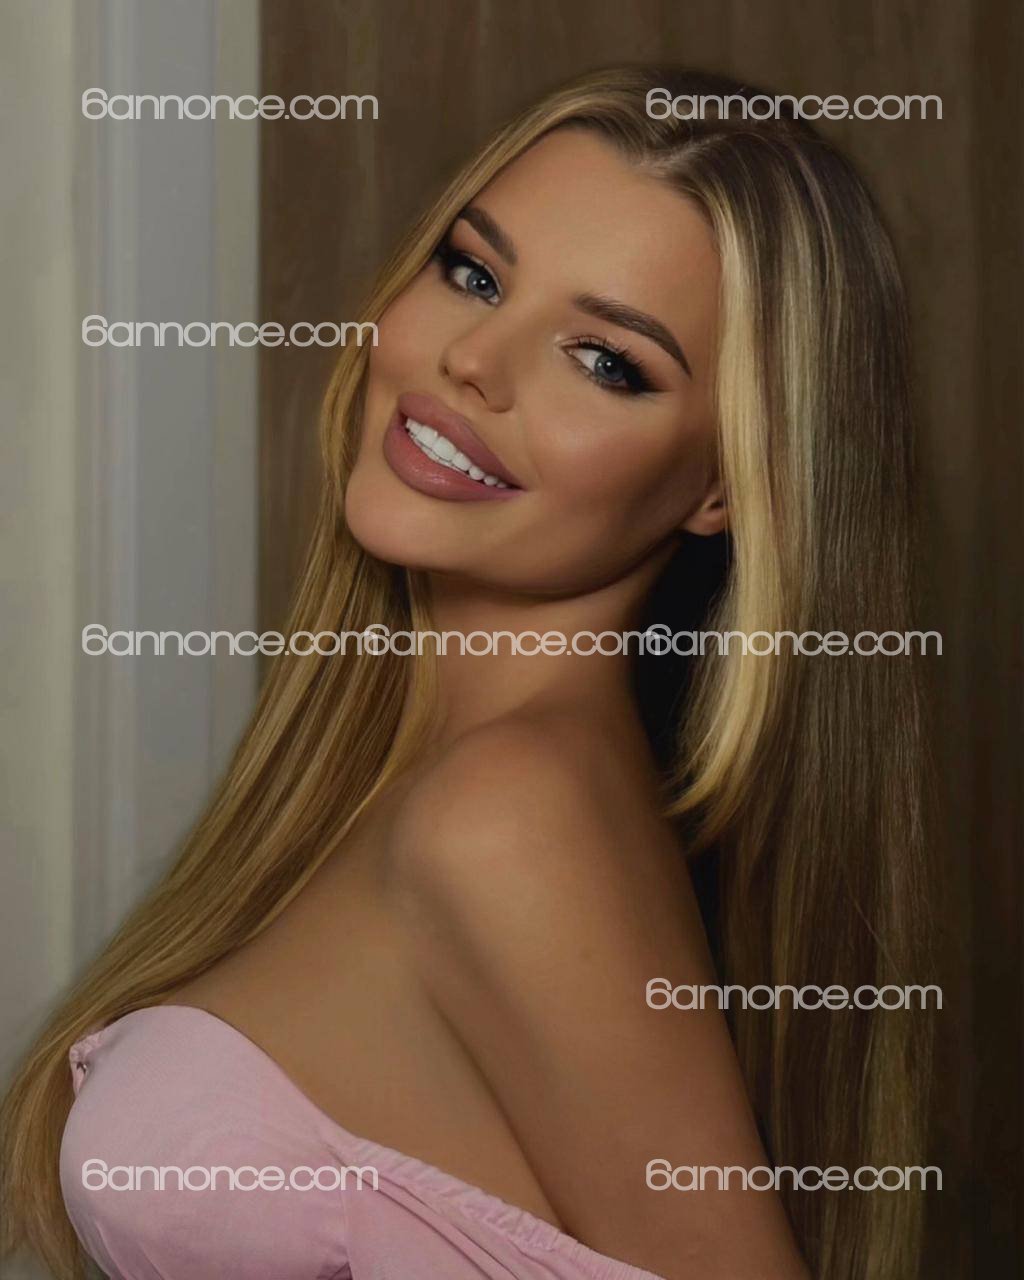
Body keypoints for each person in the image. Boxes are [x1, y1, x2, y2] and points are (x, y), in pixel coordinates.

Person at [1, 65, 931, 1280]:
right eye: (475, 274)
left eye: (605, 360)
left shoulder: (511, 821)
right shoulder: (407, 783)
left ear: (722, 484)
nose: (476, 361)